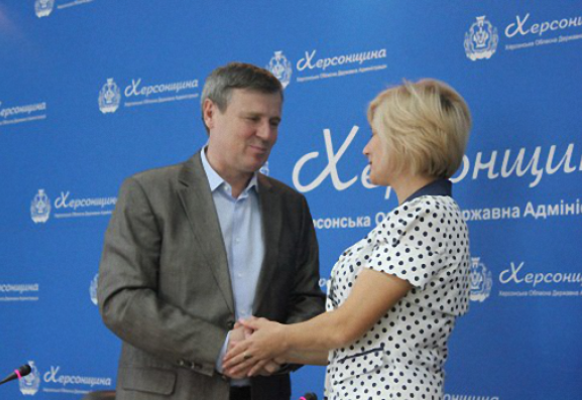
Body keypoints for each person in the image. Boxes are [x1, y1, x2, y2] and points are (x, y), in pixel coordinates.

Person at [224, 79, 472, 400]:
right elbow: (354, 345)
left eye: (375, 134)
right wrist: (271, 350)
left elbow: (344, 326)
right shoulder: (416, 215)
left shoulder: (429, 213)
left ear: (407, 139)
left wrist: (277, 338)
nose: (366, 148)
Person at [98, 62, 325, 400]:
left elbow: (306, 300)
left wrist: (278, 348)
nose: (266, 134)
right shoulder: (148, 192)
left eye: (274, 122)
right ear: (210, 113)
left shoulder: (292, 205)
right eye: (252, 119)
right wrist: (220, 346)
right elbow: (122, 299)